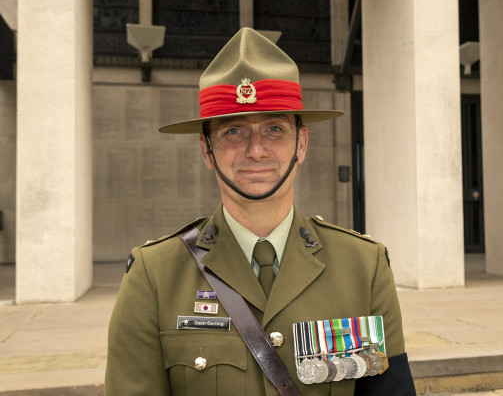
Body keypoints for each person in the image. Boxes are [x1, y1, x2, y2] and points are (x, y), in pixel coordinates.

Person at [105, 27, 415, 396]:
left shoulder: (364, 266)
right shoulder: (154, 276)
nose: (255, 150)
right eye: (233, 131)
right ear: (207, 151)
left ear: (301, 143)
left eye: (274, 129)